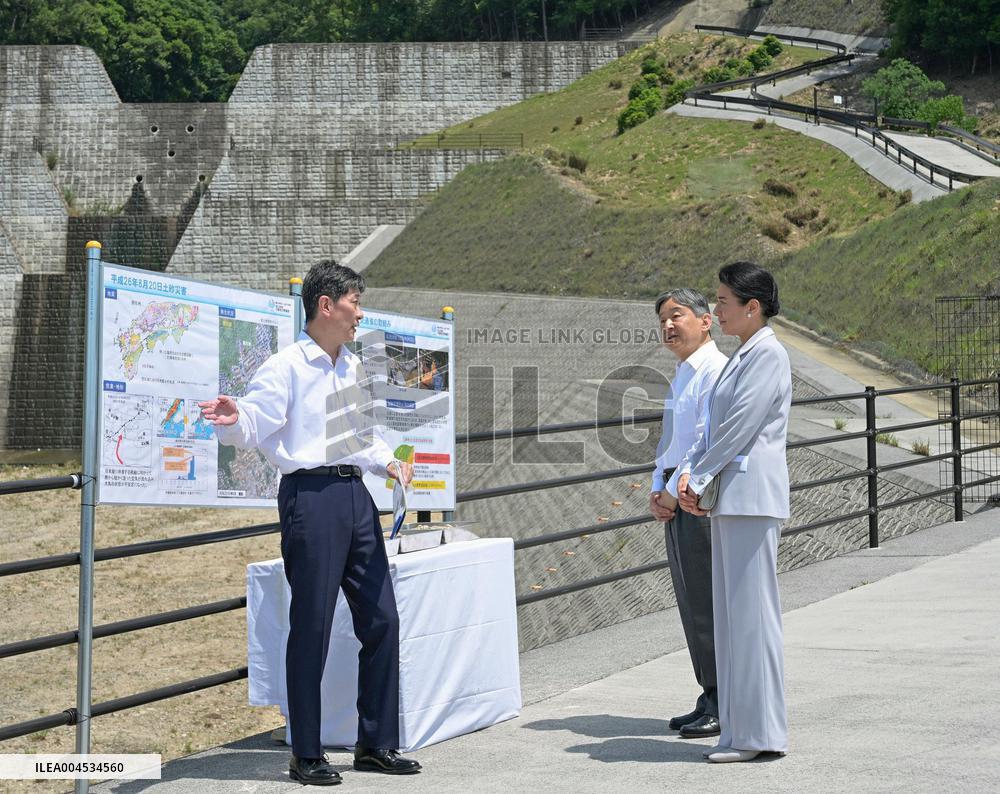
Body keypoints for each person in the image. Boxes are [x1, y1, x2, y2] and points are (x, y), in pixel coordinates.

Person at [199, 261, 421, 785]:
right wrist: (234, 421)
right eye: (354, 304)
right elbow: (252, 420)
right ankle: (306, 752)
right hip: (311, 499)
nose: (360, 314)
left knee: (382, 620)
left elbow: (363, 436)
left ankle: (375, 744)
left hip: (355, 495)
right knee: (313, 628)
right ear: (326, 305)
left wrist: (387, 460)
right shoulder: (285, 366)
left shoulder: (352, 367)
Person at [668, 261, 791, 764]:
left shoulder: (767, 354)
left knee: (751, 617)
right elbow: (713, 429)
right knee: (734, 618)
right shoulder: (747, 354)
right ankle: (742, 732)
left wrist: (695, 479)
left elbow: (738, 428)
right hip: (734, 500)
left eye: (722, 301)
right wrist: (691, 474)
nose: (715, 309)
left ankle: (759, 734)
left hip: (749, 498)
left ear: (751, 306)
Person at [648, 289, 728, 739]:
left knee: (709, 603)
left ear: (706, 321)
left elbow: (707, 442)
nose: (668, 326)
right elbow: (669, 445)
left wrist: (676, 494)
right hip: (680, 499)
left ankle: (723, 699)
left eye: (676, 316)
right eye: (662, 320)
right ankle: (710, 694)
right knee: (693, 602)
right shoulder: (683, 374)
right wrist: (658, 489)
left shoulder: (714, 371)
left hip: (699, 501)